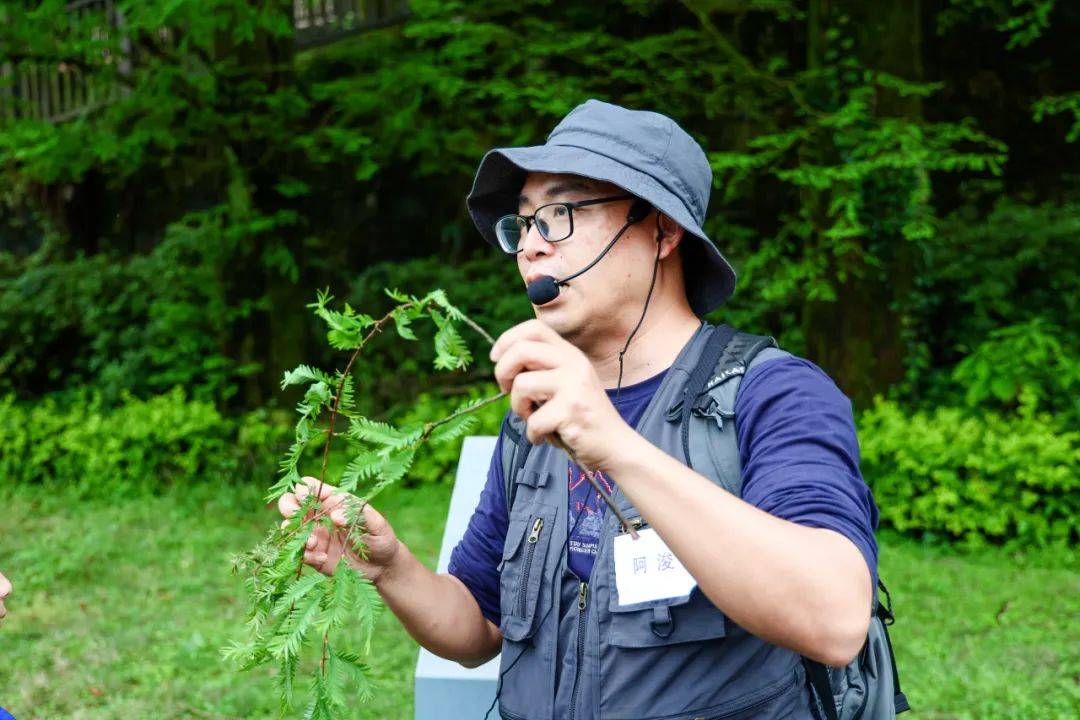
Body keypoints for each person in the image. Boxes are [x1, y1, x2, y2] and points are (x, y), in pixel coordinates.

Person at [279, 99, 879, 720]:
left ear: (662, 232)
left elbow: (834, 622)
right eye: (523, 223)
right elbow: (478, 627)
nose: (530, 249)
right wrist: (394, 567)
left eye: (560, 214)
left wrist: (615, 445)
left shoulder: (776, 395)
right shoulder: (536, 416)